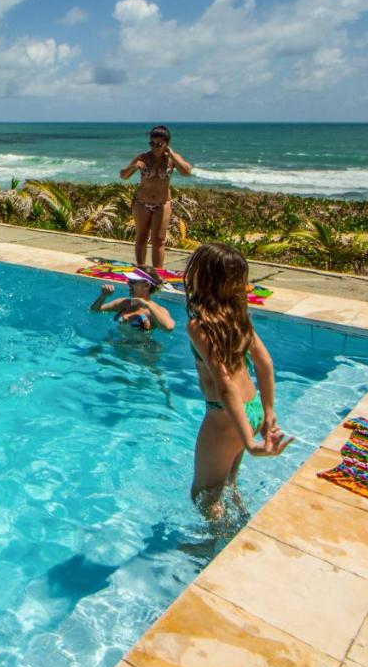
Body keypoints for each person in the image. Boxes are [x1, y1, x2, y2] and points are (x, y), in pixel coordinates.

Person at [184, 242, 293, 519]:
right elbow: (265, 363)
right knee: (227, 484)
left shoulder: (199, 326)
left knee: (204, 496)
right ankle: (240, 527)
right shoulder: (238, 318)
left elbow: (225, 385)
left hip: (226, 419)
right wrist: (268, 413)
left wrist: (251, 443)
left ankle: (207, 553)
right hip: (253, 409)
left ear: (202, 278)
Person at [119, 125, 193, 270]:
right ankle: (141, 269)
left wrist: (172, 155)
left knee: (159, 240)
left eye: (159, 144)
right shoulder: (144, 157)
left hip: (162, 203)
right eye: (152, 143)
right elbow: (123, 175)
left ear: (166, 144)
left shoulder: (171, 159)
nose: (155, 147)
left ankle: (158, 273)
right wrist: (134, 167)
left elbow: (187, 171)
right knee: (141, 236)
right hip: (141, 202)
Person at [88, 267, 176, 332]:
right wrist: (103, 296)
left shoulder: (156, 311)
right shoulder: (123, 303)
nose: (128, 284)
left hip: (140, 352)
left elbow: (169, 328)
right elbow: (93, 310)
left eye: (133, 282)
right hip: (117, 346)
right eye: (129, 281)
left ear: (146, 286)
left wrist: (147, 305)